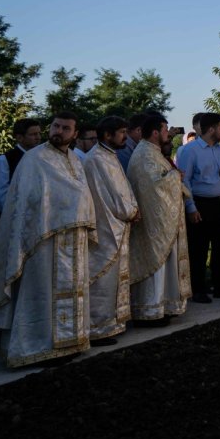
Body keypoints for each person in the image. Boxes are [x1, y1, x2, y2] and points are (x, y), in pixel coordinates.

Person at [0, 112, 96, 367]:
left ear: (75, 134)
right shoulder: (34, 159)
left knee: (72, 292)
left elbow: (83, 195)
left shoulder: (75, 160)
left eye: (65, 128)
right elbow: (26, 201)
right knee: (41, 293)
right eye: (56, 126)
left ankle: (70, 342)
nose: (59, 131)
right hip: (41, 241)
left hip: (72, 241)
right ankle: (36, 347)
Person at [127, 113, 192, 324]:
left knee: (165, 266)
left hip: (162, 221)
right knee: (157, 267)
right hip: (153, 225)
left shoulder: (152, 152)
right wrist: (175, 176)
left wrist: (173, 177)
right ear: (155, 133)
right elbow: (155, 186)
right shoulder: (144, 154)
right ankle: (150, 311)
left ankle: (165, 306)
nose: (168, 133)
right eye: (165, 129)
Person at [84, 115, 140, 344]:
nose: (125, 137)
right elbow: (112, 195)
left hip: (115, 224)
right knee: (103, 278)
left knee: (114, 277)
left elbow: (123, 188)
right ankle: (98, 328)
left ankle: (114, 323)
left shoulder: (108, 155)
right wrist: (131, 211)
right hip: (105, 227)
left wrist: (132, 208)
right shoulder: (96, 159)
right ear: (108, 135)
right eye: (122, 132)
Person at [177, 112, 220, 303]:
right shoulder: (190, 150)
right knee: (199, 249)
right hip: (203, 204)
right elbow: (184, 180)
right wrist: (191, 207)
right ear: (211, 129)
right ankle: (198, 289)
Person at [0, 117, 42, 240]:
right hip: (9, 225)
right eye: (33, 134)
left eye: (39, 133)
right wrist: (20, 218)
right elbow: (1, 197)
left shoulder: (41, 159)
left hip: (34, 226)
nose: (38, 137)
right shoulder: (4, 160)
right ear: (19, 137)